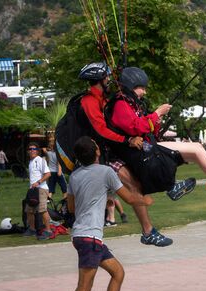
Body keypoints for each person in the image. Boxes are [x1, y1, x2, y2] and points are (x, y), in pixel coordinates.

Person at [78, 62, 190, 247]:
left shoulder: (105, 99)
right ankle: (147, 230)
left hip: (111, 150)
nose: (109, 80)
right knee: (132, 186)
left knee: (138, 180)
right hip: (100, 155)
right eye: (106, 77)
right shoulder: (89, 101)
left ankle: (163, 199)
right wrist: (126, 140)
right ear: (99, 79)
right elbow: (101, 131)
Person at [107, 66, 206, 200]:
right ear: (132, 86)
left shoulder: (131, 104)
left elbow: (146, 127)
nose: (145, 92)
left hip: (147, 149)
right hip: (142, 155)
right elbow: (136, 128)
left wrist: (156, 121)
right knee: (197, 149)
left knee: (197, 150)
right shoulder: (120, 104)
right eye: (142, 88)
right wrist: (157, 113)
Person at [60, 136, 152, 291]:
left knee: (117, 272)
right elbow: (129, 198)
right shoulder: (106, 172)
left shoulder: (74, 176)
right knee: (84, 286)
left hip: (83, 235)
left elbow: (72, 208)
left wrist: (100, 197)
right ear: (97, 152)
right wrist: (145, 200)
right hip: (90, 237)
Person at [24, 142, 53, 240]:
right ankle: (32, 229)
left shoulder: (40, 160)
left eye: (34, 149)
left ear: (37, 150)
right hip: (32, 189)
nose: (32, 150)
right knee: (29, 210)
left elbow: (48, 174)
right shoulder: (31, 161)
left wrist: (38, 182)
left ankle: (48, 231)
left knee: (42, 210)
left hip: (41, 188)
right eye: (30, 149)